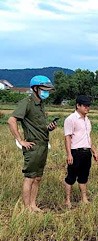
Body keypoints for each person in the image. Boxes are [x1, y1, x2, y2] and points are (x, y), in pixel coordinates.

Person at [7, 75, 57, 212]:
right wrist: (20, 140)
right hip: (33, 146)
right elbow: (11, 120)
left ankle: (33, 205)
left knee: (38, 177)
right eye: (44, 89)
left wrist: (49, 128)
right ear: (35, 88)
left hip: (43, 145)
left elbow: (38, 125)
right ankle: (27, 207)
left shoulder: (40, 104)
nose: (46, 92)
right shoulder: (27, 102)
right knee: (30, 177)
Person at [63, 95, 98, 208]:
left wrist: (94, 151)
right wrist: (69, 154)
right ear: (78, 105)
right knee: (71, 177)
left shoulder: (87, 120)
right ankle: (67, 200)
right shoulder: (71, 119)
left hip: (86, 152)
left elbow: (88, 137)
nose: (87, 108)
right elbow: (67, 137)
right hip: (75, 152)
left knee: (84, 176)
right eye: (85, 106)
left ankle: (84, 198)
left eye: (88, 106)